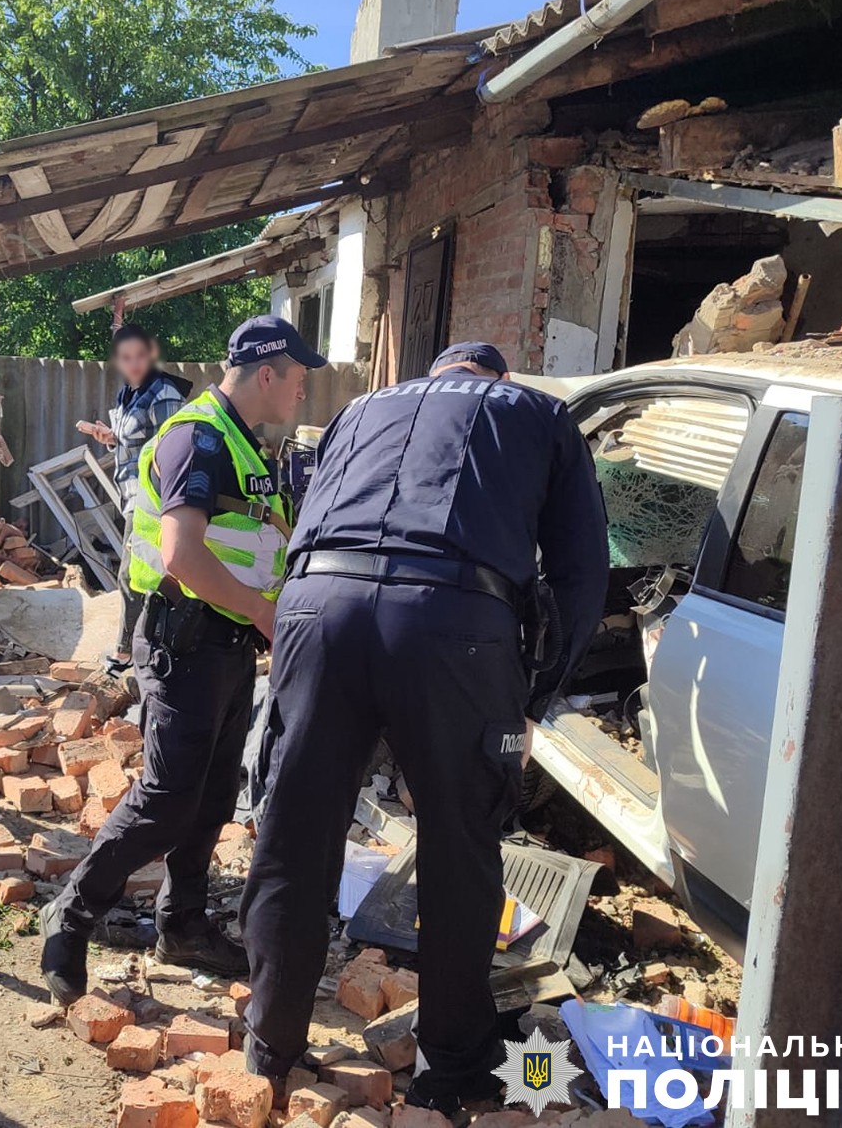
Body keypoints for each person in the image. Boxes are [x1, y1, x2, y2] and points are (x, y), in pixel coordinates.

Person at [239, 342, 610, 1114]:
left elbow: (310, 519)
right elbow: (581, 575)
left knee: (294, 832)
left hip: (317, 609)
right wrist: (535, 694)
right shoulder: (537, 412)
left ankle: (269, 1047)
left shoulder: (356, 410)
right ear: (496, 381)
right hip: (453, 623)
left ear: (434, 379)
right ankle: (454, 1063)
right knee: (459, 845)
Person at [40, 315, 328, 1003]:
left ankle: (184, 924)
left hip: (225, 647)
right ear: (266, 372)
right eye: (297, 377)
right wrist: (264, 612)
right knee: (166, 801)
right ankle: (70, 916)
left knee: (210, 799)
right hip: (186, 643)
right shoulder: (198, 439)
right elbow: (182, 553)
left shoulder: (245, 445)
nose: (302, 391)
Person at [76, 325, 191, 673]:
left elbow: (173, 448)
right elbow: (137, 441)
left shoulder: (164, 393)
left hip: (153, 501)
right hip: (132, 496)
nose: (134, 363)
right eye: (126, 358)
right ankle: (150, 651)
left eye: (140, 355)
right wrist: (110, 437)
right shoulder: (129, 393)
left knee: (134, 576)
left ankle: (128, 654)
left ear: (151, 354)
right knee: (145, 576)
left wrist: (167, 507)